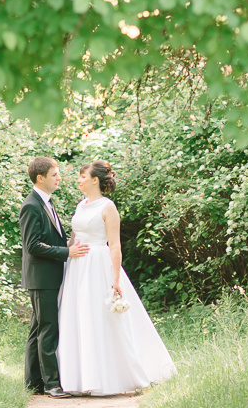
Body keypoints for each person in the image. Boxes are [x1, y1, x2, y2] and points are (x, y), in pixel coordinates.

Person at [57, 159, 176, 395]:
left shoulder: (107, 206)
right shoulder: (81, 205)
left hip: (98, 264)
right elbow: (72, 240)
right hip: (77, 268)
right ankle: (80, 378)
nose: (79, 180)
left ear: (95, 180)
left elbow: (115, 245)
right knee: (79, 317)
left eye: (83, 176)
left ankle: (112, 375)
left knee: (102, 318)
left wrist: (115, 278)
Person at [20, 156, 88, 398]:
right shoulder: (32, 205)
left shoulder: (46, 202)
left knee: (38, 328)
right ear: (41, 178)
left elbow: (51, 238)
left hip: (48, 276)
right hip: (42, 277)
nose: (59, 178)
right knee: (48, 328)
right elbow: (33, 245)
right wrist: (66, 252)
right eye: (55, 175)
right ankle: (51, 384)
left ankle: (34, 383)